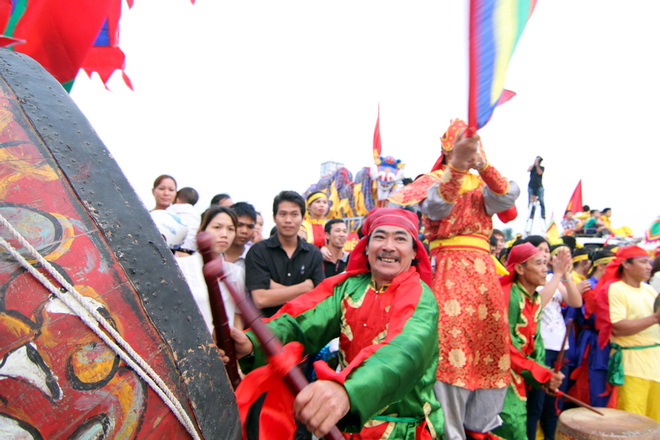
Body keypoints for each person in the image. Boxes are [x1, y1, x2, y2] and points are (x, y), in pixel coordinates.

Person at [231, 208, 444, 439]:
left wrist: (348, 391)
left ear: (414, 251)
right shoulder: (348, 288)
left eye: (400, 239)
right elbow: (300, 322)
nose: (388, 246)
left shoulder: (421, 297)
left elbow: (405, 351)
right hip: (344, 427)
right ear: (366, 247)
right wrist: (252, 342)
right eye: (380, 237)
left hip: (401, 432)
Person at [388, 119, 520, 440]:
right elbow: (438, 207)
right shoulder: (432, 181)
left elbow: (505, 198)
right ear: (447, 149)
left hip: (484, 273)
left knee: (490, 346)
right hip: (448, 268)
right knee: (451, 347)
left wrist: (482, 165)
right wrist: (458, 167)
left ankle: (479, 428)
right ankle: (449, 431)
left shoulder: (484, 182)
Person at [491, 243, 565, 440]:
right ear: (520, 268)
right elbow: (505, 346)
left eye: (546, 264)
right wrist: (541, 375)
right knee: (511, 427)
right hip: (499, 374)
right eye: (539, 263)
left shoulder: (534, 298)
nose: (545, 269)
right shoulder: (508, 295)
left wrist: (544, 374)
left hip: (518, 373)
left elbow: (536, 342)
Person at [594, 246, 660, 421]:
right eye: (643, 262)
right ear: (626, 264)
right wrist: (654, 318)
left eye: (649, 262)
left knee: (655, 423)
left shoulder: (649, 290)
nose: (649, 266)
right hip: (632, 367)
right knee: (632, 422)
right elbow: (617, 327)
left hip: (656, 366)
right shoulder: (616, 289)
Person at [525, 240, 582, 440]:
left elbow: (575, 301)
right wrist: (557, 275)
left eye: (547, 251)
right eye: (539, 250)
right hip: (540, 348)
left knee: (554, 407)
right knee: (535, 406)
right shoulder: (529, 280)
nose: (544, 254)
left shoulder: (551, 278)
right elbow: (538, 303)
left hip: (560, 348)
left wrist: (565, 274)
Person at [245, 191, 325, 318]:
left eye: (294, 214)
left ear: (302, 218)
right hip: (268, 327)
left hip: (303, 325)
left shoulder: (313, 254)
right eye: (283, 214)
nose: (288, 220)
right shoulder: (258, 251)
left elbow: (318, 297)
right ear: (274, 217)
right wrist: (305, 287)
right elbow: (261, 299)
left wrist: (274, 289)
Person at [176, 206, 245, 332]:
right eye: (217, 227)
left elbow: (237, 316)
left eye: (230, 229)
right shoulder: (181, 266)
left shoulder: (236, 272)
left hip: (222, 343)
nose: (224, 234)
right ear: (202, 230)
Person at [568, 249, 615, 407]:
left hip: (607, 341)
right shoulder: (588, 287)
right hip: (593, 341)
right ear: (601, 266)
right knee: (593, 385)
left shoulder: (613, 286)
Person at [167, 186, 201, 256]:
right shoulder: (196, 214)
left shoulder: (172, 209)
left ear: (177, 199)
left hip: (174, 250)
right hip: (191, 251)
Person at [224, 202, 257, 270]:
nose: (244, 231)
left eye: (250, 226)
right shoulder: (213, 252)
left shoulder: (256, 257)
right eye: (239, 225)